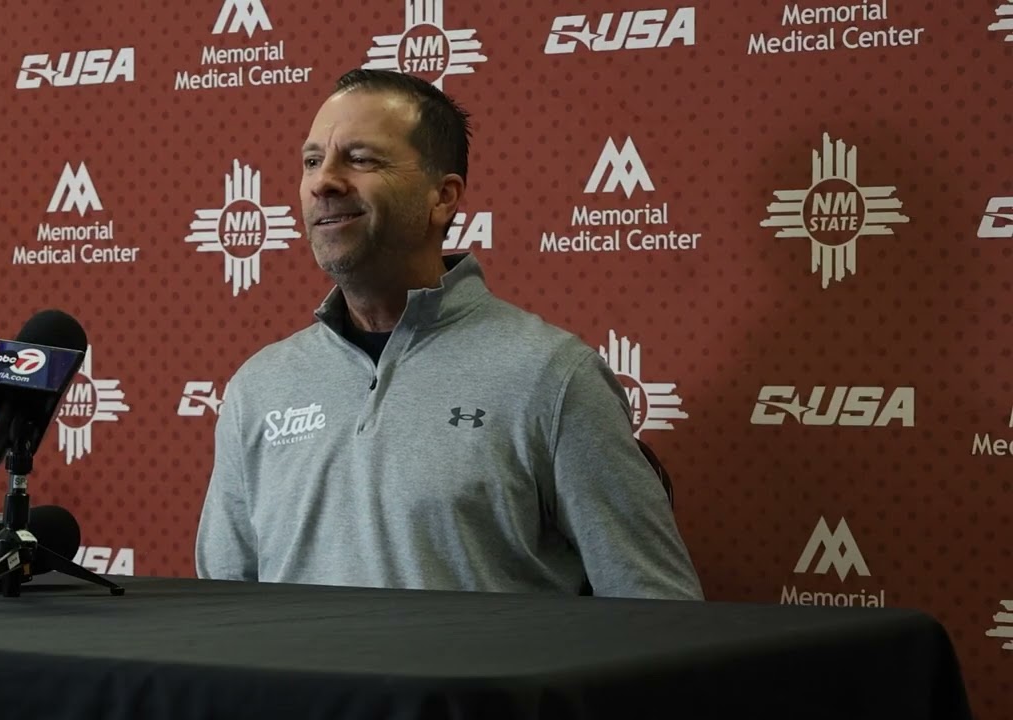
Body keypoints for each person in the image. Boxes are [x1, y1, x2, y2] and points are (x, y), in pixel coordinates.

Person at [194, 69, 703, 600]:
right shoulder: (259, 387)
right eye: (312, 161)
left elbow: (658, 612)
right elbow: (228, 609)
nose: (324, 181)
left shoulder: (553, 377)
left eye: (361, 159)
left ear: (443, 196)